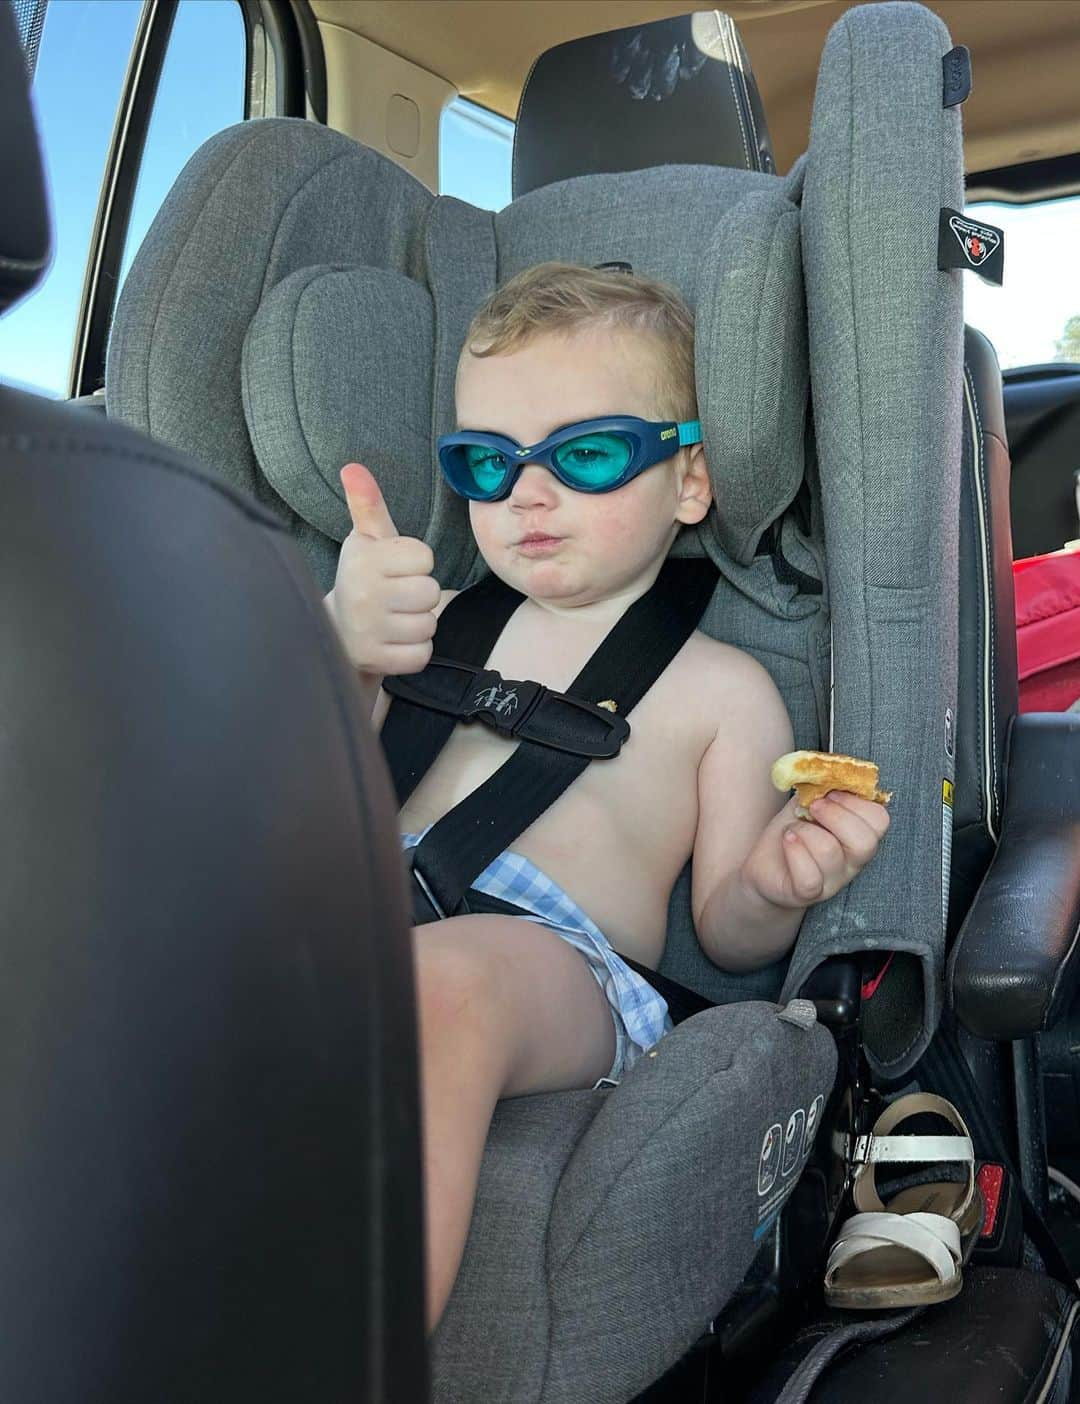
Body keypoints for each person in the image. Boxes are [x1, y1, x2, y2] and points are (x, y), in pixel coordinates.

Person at [324, 262, 890, 1328]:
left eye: (584, 454)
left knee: (441, 989)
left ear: (689, 481)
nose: (527, 495)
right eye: (486, 465)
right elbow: (309, 783)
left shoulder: (724, 690)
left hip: (555, 962)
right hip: (342, 914)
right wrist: (347, 650)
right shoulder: (419, 619)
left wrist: (780, 876)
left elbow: (728, 933)